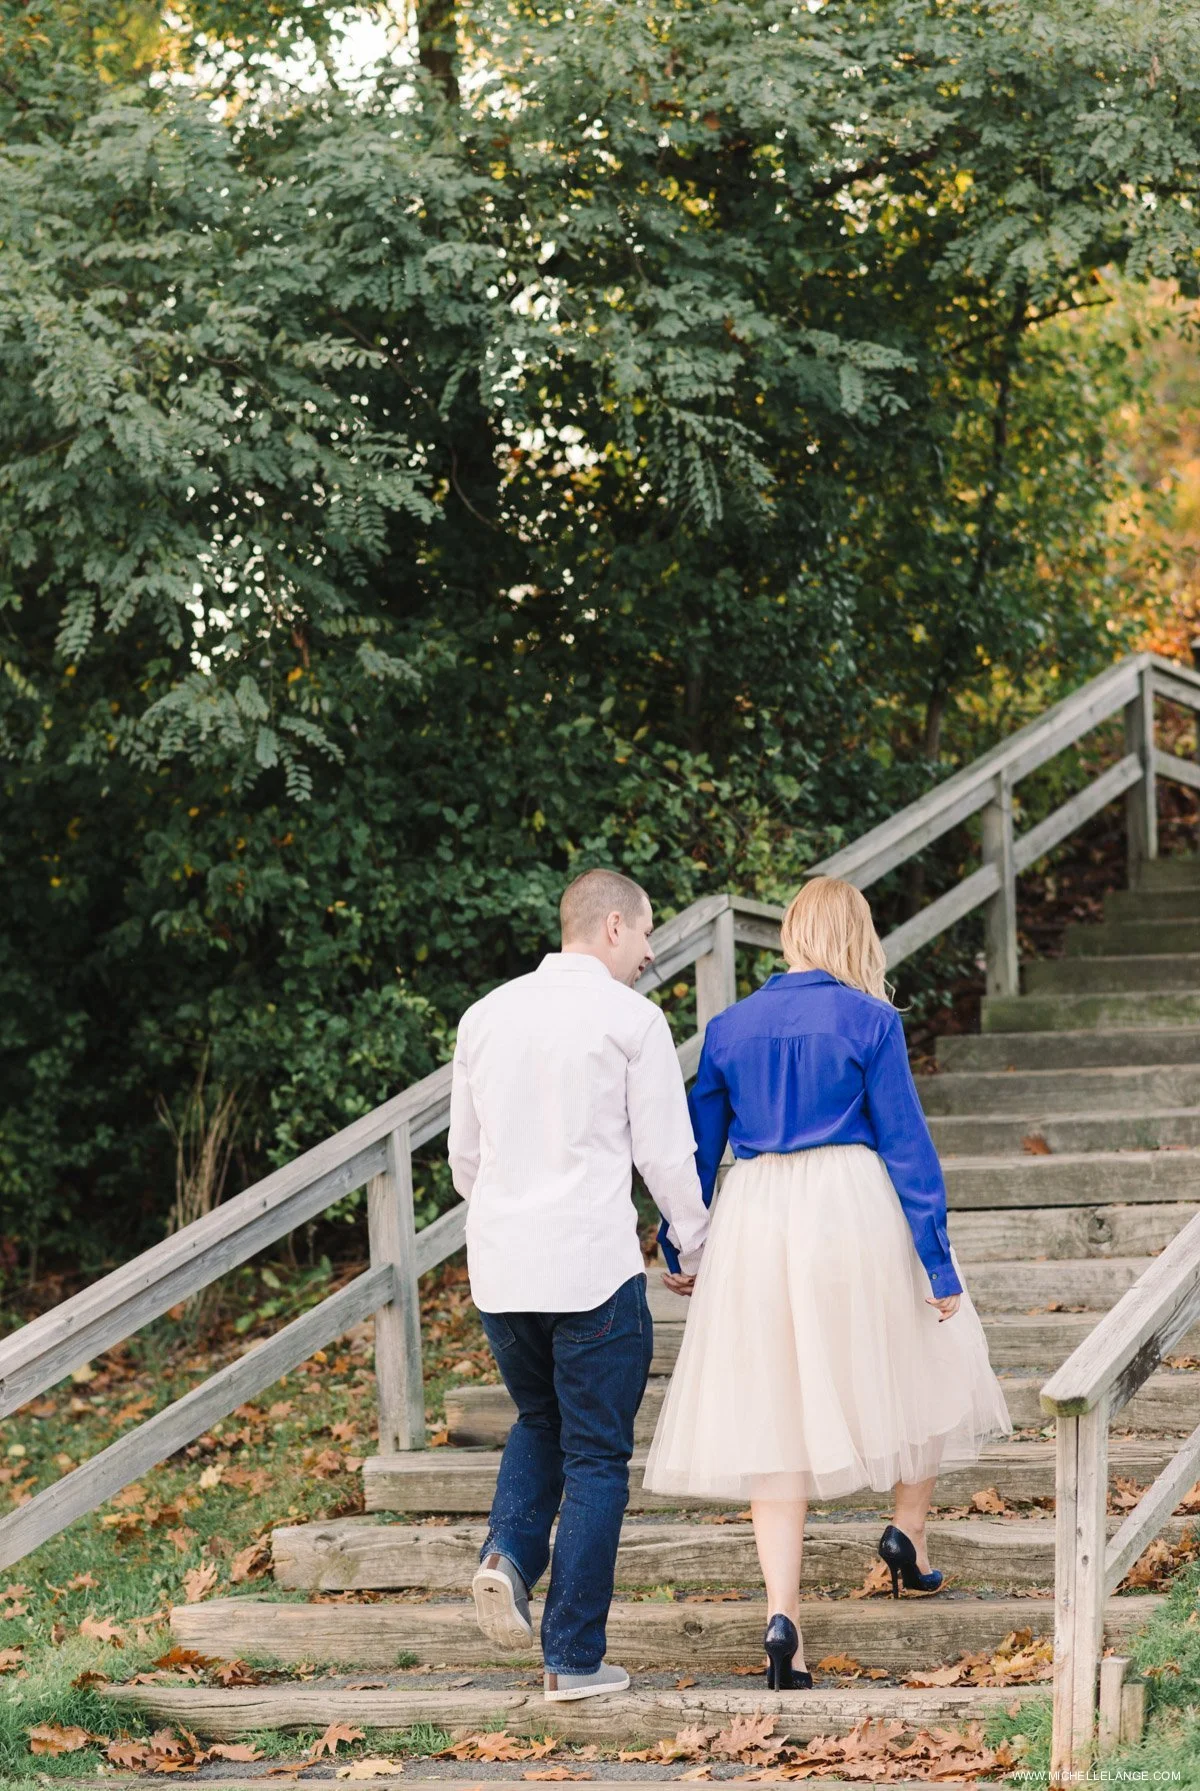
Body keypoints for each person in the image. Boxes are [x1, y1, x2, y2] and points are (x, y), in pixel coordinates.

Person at [643, 876, 1011, 1690]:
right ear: (856, 937)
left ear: (791, 936)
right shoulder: (871, 1019)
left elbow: (697, 1156)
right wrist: (938, 1260)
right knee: (932, 1353)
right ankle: (907, 1532)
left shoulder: (729, 1027)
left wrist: (681, 1245)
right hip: (853, 1205)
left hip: (759, 1214)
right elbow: (908, 1146)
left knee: (776, 1413)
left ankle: (785, 1623)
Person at [448, 867, 710, 1702]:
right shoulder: (631, 1020)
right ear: (608, 928)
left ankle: (506, 1555)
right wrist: (693, 1245)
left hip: (502, 1271)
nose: (649, 949)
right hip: (592, 1269)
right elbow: (665, 1155)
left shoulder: (483, 1016)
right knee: (597, 1455)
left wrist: (509, 1215)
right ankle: (572, 1658)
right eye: (644, 932)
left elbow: (465, 1159)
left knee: (539, 1418)